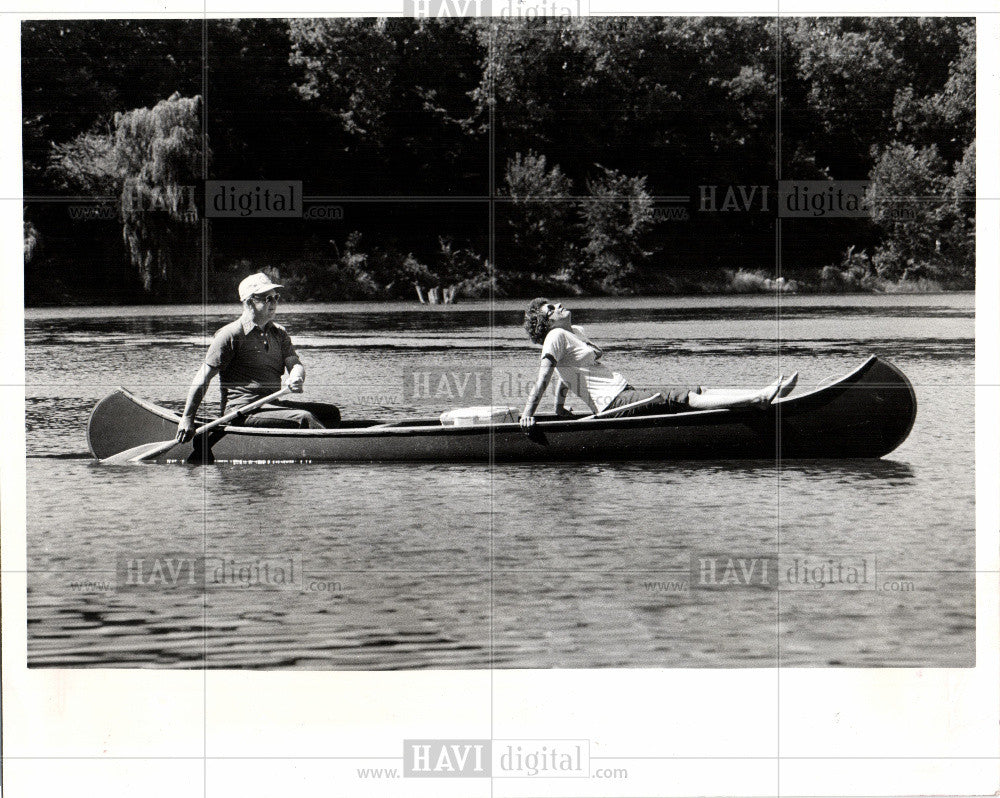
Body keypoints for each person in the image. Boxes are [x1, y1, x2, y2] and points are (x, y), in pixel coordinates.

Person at [519, 298, 796, 430]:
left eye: (553, 304)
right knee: (678, 397)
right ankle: (759, 399)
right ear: (548, 323)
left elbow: (566, 374)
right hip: (613, 404)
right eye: (551, 310)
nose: (557, 305)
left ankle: (761, 392)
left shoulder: (574, 331)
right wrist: (528, 413)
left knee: (698, 389)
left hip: (624, 393)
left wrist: (558, 408)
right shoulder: (555, 336)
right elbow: (546, 373)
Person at [175, 272, 339, 442]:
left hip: (272, 406)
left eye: (276, 297)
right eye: (267, 298)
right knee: (304, 418)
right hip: (242, 412)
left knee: (330, 413)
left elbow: (294, 362)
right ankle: (334, 453)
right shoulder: (230, 335)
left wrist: (296, 376)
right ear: (249, 301)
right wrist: (187, 419)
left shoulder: (279, 333)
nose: (274, 303)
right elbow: (203, 377)